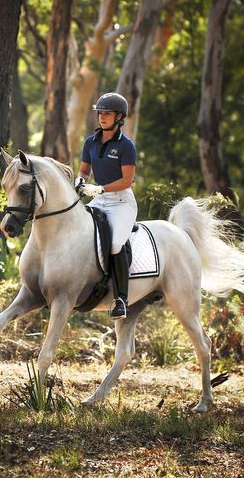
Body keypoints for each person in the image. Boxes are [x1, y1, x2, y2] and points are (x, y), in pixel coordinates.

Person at [75, 92, 137, 319]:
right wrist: (80, 180)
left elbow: (127, 180)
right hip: (99, 199)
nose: (101, 117)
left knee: (115, 244)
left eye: (107, 113)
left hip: (121, 202)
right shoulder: (90, 142)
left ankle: (121, 299)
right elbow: (84, 169)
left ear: (119, 117)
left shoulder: (126, 146)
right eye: (100, 113)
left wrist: (100, 188)